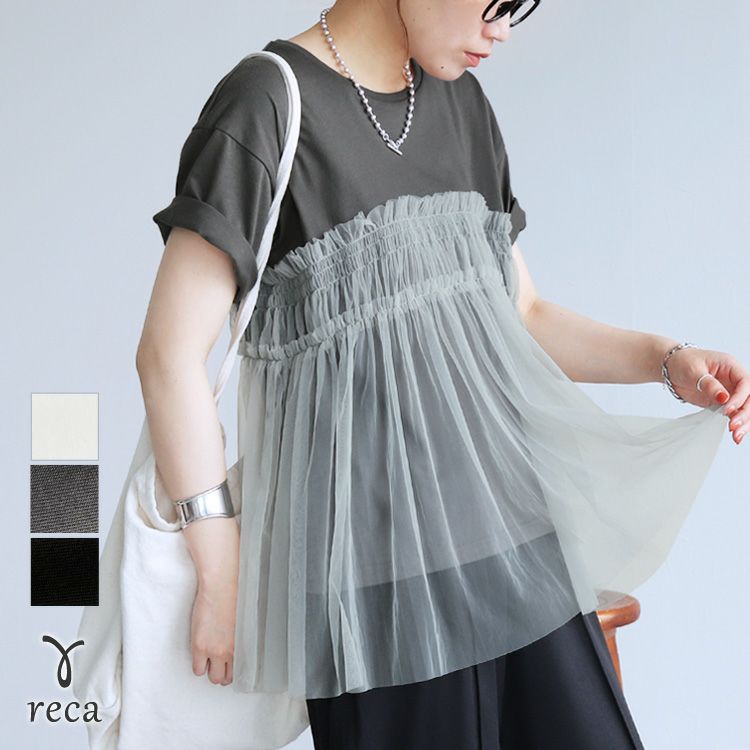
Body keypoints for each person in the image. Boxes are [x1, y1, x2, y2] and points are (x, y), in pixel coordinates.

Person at [138, 1, 748, 747]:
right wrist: (219, 571)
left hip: (516, 548)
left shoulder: (460, 101)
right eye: (497, 2)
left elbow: (520, 314)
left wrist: (666, 360)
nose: (503, 30)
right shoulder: (266, 103)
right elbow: (168, 356)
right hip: (376, 595)